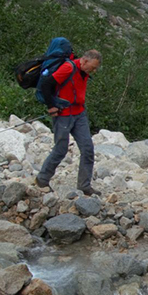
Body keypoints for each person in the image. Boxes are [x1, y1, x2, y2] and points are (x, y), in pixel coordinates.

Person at [35, 49, 102, 193]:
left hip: (79, 113)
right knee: (61, 149)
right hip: (63, 114)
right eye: (93, 67)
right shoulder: (68, 68)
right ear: (84, 61)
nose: (94, 71)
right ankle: (42, 179)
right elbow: (46, 84)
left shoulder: (84, 71)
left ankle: (84, 186)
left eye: (95, 68)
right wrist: (51, 106)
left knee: (88, 148)